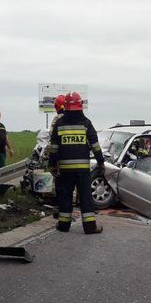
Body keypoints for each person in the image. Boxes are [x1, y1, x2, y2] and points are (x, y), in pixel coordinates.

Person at [48, 92, 105, 234]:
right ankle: (90, 227)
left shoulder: (59, 124)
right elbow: (95, 145)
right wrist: (101, 162)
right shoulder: (86, 123)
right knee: (85, 197)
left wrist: (52, 165)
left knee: (65, 196)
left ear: (65, 106)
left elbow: (54, 148)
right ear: (80, 106)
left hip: (65, 169)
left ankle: (63, 226)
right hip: (82, 169)